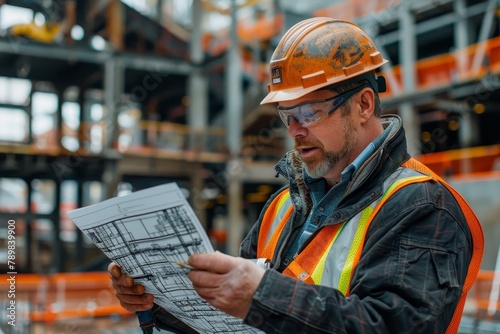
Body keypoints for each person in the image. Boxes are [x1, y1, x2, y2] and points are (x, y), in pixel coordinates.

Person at [108, 17, 484, 333]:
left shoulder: (422, 207)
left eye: (308, 113)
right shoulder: (282, 207)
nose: (294, 130)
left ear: (364, 105)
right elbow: (237, 321)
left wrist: (261, 294)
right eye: (287, 116)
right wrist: (159, 301)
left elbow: (393, 326)